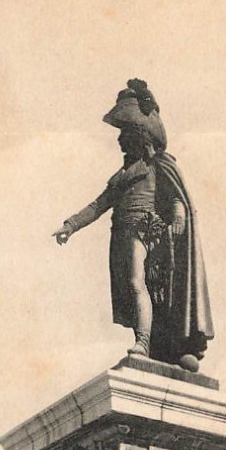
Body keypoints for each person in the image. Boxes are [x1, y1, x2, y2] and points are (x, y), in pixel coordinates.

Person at [53, 79, 214, 368]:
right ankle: (150, 341)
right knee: (133, 288)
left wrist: (177, 217)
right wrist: (71, 224)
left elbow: (176, 197)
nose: (119, 140)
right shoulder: (122, 176)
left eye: (125, 133)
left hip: (146, 230)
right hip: (122, 233)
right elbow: (98, 205)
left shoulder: (157, 165)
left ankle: (142, 342)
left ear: (139, 136)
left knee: (136, 282)